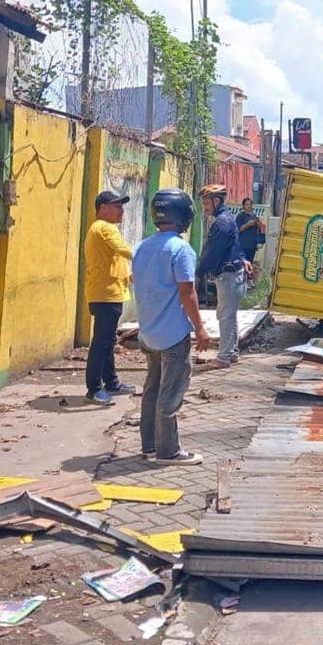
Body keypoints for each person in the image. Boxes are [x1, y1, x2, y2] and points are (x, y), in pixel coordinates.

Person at [132, 189, 211, 465]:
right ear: (184, 215)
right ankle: (168, 451)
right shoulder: (180, 249)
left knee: (152, 388)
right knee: (171, 391)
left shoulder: (141, 247)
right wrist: (199, 327)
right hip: (173, 335)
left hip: (149, 333)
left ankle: (149, 446)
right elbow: (187, 291)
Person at [82, 190, 136, 406]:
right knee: (101, 342)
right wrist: (151, 255)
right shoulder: (105, 227)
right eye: (116, 206)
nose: (121, 210)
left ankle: (111, 382)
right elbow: (125, 251)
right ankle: (94, 388)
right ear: (102, 208)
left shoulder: (101, 228)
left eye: (121, 206)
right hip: (105, 294)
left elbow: (114, 259)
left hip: (107, 292)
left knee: (107, 340)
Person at [196, 185, 246, 369]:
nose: (205, 207)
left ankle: (224, 357)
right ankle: (231, 353)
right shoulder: (225, 219)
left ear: (216, 201)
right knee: (230, 315)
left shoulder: (222, 223)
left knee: (225, 315)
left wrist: (200, 271)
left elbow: (213, 251)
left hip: (228, 275)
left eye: (206, 202)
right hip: (232, 273)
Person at [236, 197, 265, 264]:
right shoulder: (240, 216)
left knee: (249, 265)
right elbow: (238, 229)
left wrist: (258, 224)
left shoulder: (253, 215)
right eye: (247, 204)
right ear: (243, 206)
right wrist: (248, 224)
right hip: (243, 246)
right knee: (242, 265)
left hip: (252, 246)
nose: (249, 206)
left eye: (250, 204)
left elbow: (259, 229)